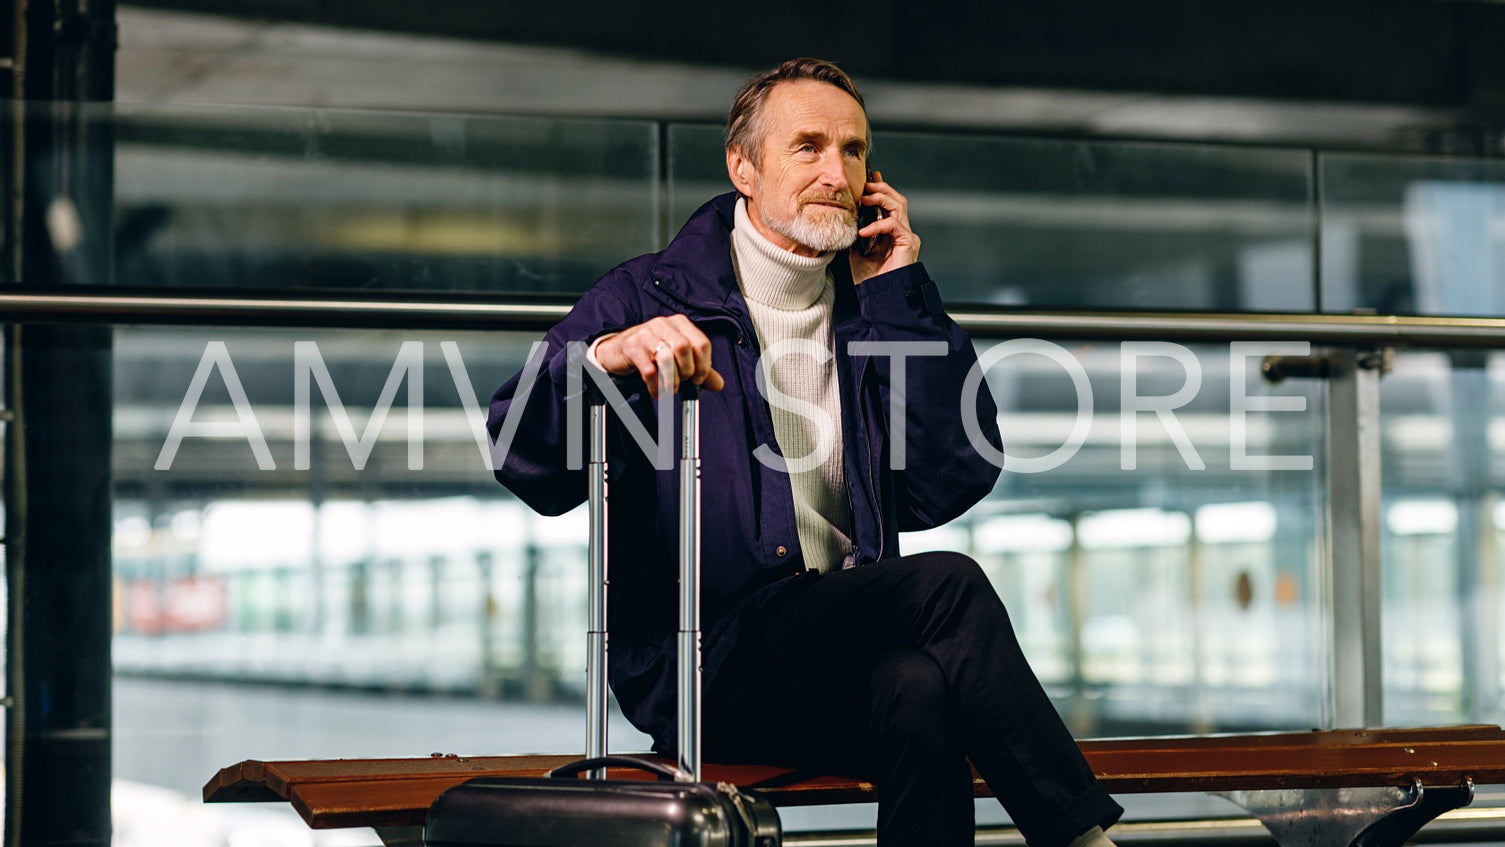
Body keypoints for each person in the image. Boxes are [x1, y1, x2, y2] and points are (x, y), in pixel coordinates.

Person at [487, 58, 1123, 847]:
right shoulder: (647, 297)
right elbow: (519, 454)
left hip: (835, 651)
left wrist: (901, 295)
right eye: (809, 147)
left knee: (917, 685)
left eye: (853, 151)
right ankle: (1083, 839)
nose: (837, 172)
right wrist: (607, 357)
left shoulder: (871, 305)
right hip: (703, 664)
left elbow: (947, 480)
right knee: (948, 584)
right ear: (742, 167)